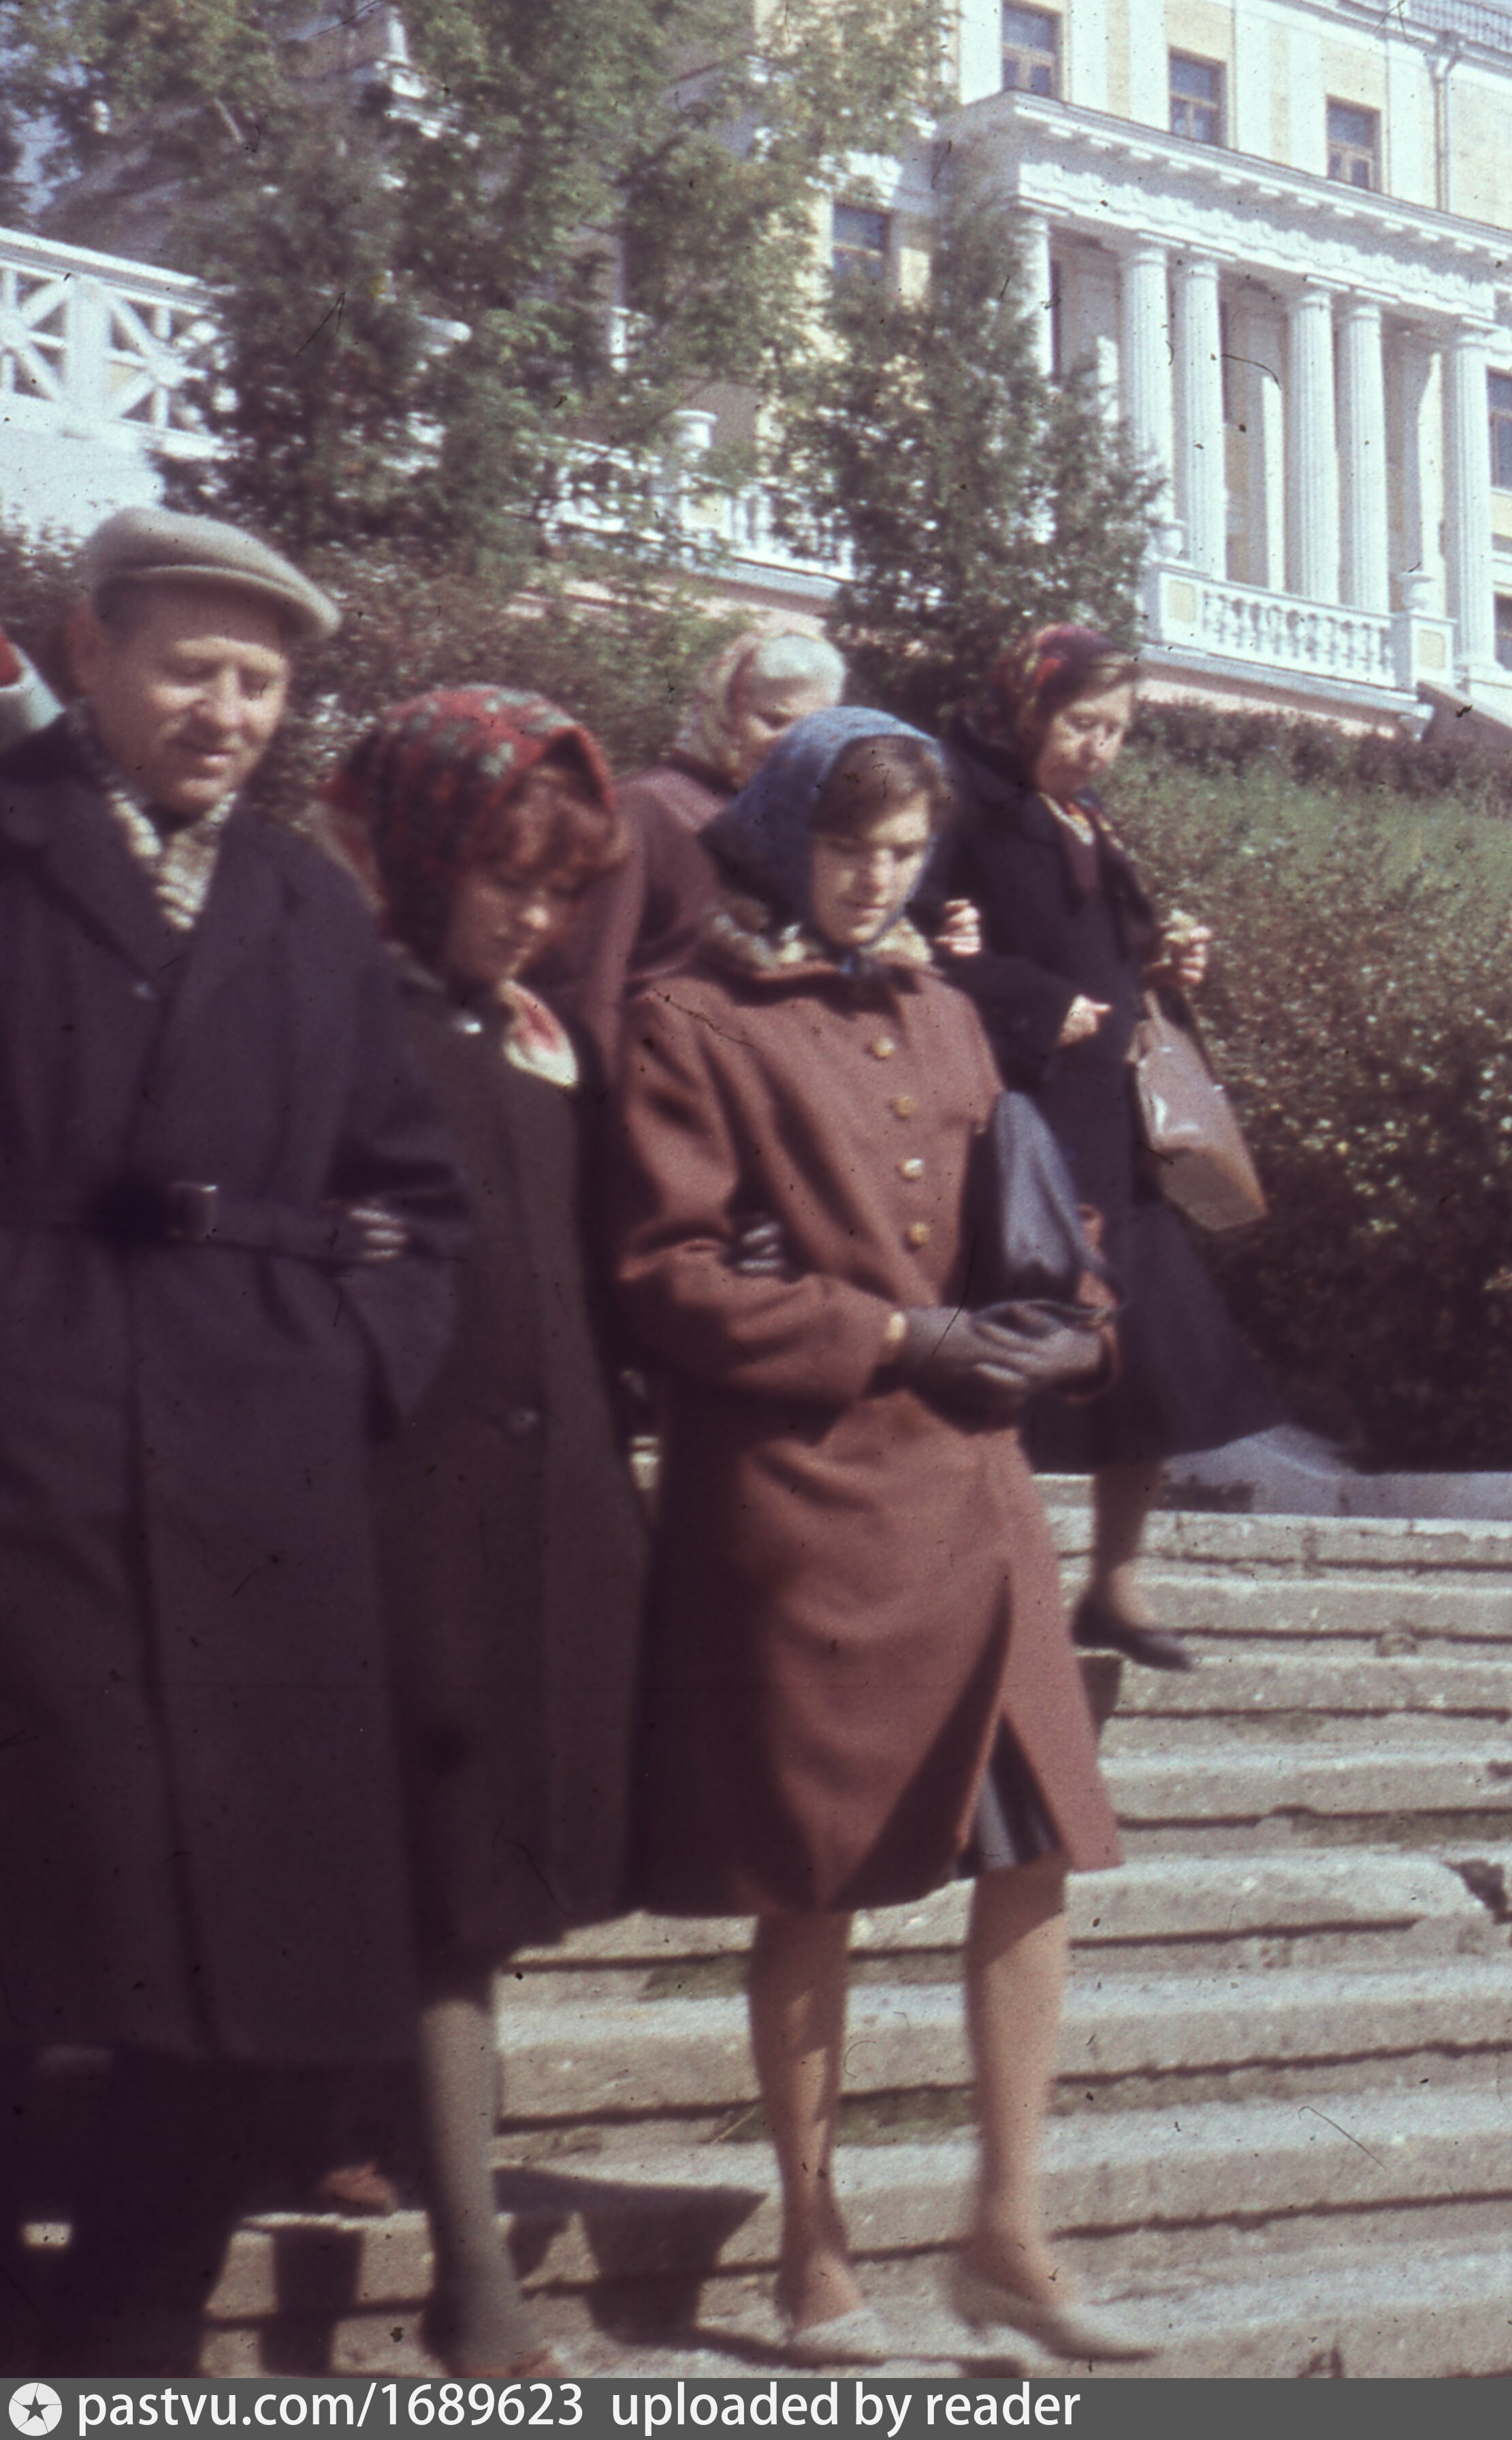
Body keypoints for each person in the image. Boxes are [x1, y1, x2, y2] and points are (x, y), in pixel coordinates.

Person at [610, 705, 1152, 2367]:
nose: (877, 878)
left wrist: (1078, 1322)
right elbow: (664, 1276)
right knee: (815, 1876)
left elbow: (1028, 1218)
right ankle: (812, 2241)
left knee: (1038, 1851)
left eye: (906, 850)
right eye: (851, 845)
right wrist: (894, 1336)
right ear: (783, 831)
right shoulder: (687, 1019)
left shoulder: (940, 1005)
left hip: (974, 1504)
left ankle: (1008, 2229)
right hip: (806, 1503)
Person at [0, 507, 470, 2375]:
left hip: (258, 1483)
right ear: (90, 652)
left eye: (262, 681)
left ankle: (133, 2325)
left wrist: (354, 1359)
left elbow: (418, 1198)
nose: (225, 710)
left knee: (237, 1945)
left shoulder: (302, 900)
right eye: (189, 665)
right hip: (29, 1457)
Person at [319, 688, 656, 2379]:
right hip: (399, 1505)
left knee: (475, 1874)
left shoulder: (536, 1033)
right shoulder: (338, 1014)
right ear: (427, 848)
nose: (535, 912)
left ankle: (359, 2127)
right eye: (507, 875)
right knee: (447, 1893)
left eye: (560, 884)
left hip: (548, 1510)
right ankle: (479, 2288)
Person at [933, 628, 1283, 1671]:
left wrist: (1169, 962)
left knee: (1156, 1361)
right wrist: (1043, 1006)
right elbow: (925, 952)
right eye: (1081, 722)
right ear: (1029, 710)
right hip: (1022, 1133)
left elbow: (1105, 956)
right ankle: (988, 1587)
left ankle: (1114, 1586)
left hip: (1116, 1142)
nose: (1098, 747)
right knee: (1016, 1365)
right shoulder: (965, 809)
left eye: (1116, 730)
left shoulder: (1086, 819)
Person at [534, 620, 844, 1072]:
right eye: (772, 720)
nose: (788, 743)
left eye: (809, 726)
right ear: (723, 710)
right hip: (650, 1075)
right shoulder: (643, 808)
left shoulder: (804, 830)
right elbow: (592, 979)